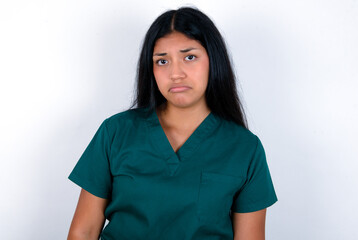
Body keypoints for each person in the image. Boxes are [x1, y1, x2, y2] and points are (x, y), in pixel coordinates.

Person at [67, 6, 277, 240]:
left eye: (189, 57)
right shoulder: (116, 132)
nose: (176, 73)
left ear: (213, 60)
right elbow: (83, 232)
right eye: (162, 61)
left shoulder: (245, 149)